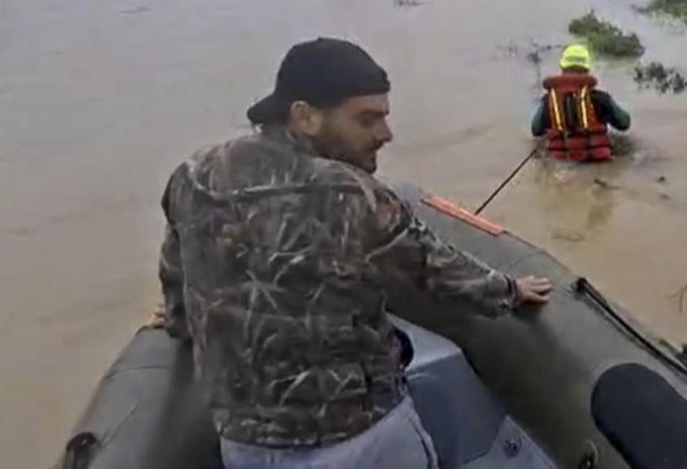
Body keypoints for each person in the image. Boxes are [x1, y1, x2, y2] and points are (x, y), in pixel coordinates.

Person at [152, 37, 553, 469]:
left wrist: (177, 321)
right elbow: (436, 269)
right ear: (305, 116)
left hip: (245, 447)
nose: (385, 134)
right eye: (367, 119)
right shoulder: (353, 194)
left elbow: (176, 272)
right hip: (362, 440)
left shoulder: (194, 176)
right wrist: (510, 290)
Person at [530, 44, 631, 162]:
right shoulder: (600, 98)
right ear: (587, 70)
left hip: (561, 162)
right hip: (597, 161)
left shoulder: (548, 100)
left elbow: (536, 130)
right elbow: (624, 123)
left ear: (562, 68)